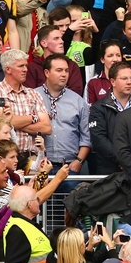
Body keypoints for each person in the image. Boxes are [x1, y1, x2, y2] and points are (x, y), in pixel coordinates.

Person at [38, 54, 91, 193]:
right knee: (41, 210)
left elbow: (86, 137)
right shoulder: (33, 96)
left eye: (66, 71)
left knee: (68, 211)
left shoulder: (78, 100)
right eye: (59, 70)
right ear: (47, 73)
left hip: (69, 168)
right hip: (40, 167)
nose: (64, 74)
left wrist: (79, 161)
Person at [0, 49, 53, 154]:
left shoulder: (33, 94)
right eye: (21, 66)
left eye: (26, 66)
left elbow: (47, 128)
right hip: (5, 157)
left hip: (33, 158)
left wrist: (13, 122)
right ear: (8, 69)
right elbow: (0, 123)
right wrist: (33, 118)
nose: (25, 69)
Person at [4, 185, 53, 263]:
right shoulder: (18, 230)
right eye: (36, 199)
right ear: (29, 204)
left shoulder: (24, 225)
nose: (39, 201)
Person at [89, 62, 131, 175]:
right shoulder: (98, 108)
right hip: (109, 170)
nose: (129, 82)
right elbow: (99, 140)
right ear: (112, 81)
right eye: (124, 78)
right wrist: (123, 159)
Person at [25, 26, 85, 96]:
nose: (62, 41)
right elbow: (29, 95)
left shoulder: (71, 65)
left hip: (67, 106)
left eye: (61, 38)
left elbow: (75, 94)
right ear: (44, 43)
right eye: (56, 39)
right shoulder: (32, 67)